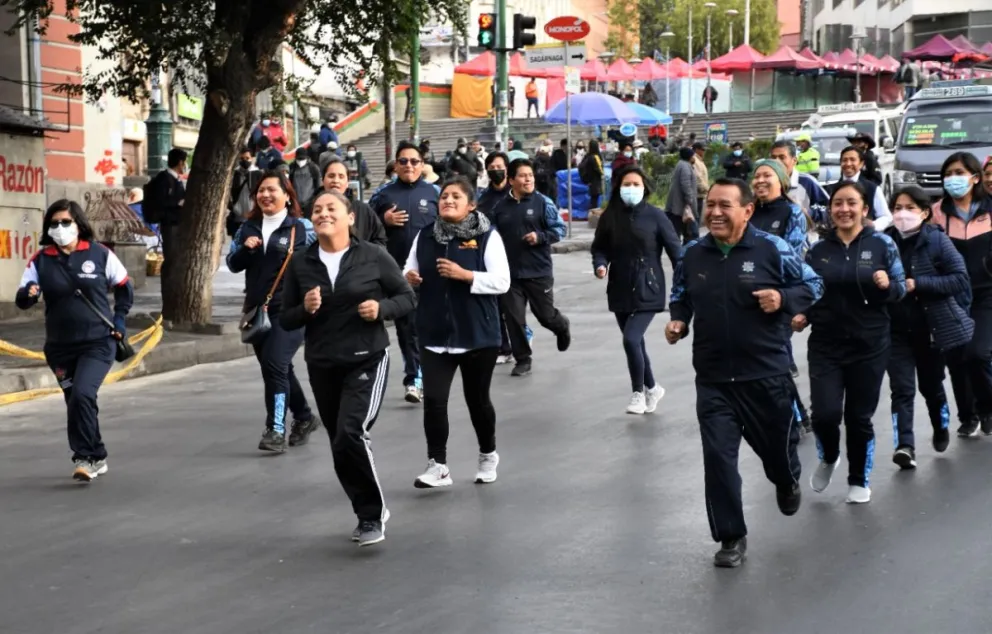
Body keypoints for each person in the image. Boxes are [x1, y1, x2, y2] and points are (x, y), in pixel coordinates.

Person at [666, 178, 824, 568]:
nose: (715, 213)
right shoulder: (692, 253)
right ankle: (731, 536)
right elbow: (681, 296)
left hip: (765, 375)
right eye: (710, 205)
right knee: (718, 459)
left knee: (778, 454)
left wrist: (783, 299)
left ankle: (786, 480)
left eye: (725, 205)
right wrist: (678, 321)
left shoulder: (772, 248)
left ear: (747, 210)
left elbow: (814, 285)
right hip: (714, 377)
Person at [280, 190, 416, 547]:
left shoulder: (373, 256)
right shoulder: (301, 262)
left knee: (351, 432)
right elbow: (284, 316)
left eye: (331, 209)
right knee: (339, 442)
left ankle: (371, 515)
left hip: (367, 356)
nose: (323, 214)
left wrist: (380, 309)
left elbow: (407, 297)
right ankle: (365, 508)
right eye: (317, 210)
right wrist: (305, 308)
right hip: (323, 361)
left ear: (350, 217)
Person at [793, 181, 906, 504]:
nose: (844, 209)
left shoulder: (882, 245)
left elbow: (900, 289)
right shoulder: (818, 250)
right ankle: (829, 455)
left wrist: (887, 285)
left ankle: (859, 479)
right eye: (838, 203)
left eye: (851, 203)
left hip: (870, 344)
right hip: (826, 344)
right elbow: (809, 289)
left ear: (864, 209)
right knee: (825, 415)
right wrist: (802, 313)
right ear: (830, 209)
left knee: (858, 417)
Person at [401, 177, 510, 488]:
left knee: (477, 400)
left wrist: (466, 276)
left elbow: (503, 281)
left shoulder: (487, 236)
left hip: (477, 333)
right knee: (434, 400)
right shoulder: (425, 235)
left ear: (470, 205)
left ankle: (487, 453)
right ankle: (438, 465)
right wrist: (409, 277)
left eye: (456, 197)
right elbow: (406, 270)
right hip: (434, 333)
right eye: (444, 196)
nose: (448, 200)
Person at [15, 200, 134, 482]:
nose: (60, 228)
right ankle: (97, 454)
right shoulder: (40, 261)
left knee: (82, 393)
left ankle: (84, 457)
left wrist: (119, 321)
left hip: (97, 342)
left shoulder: (100, 254)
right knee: (77, 401)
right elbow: (22, 299)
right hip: (59, 347)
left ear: (79, 225)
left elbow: (124, 289)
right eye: (54, 223)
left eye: (65, 222)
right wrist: (30, 294)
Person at [227, 171, 319, 452]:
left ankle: (275, 429)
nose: (265, 195)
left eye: (272, 190)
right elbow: (233, 263)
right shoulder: (247, 228)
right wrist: (245, 249)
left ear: (287, 195)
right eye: (261, 191)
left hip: (291, 311)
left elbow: (320, 260)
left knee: (276, 364)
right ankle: (304, 416)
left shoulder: (301, 227)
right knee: (276, 368)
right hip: (257, 312)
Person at [885, 185, 972, 467]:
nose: (903, 214)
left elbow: (959, 278)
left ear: (924, 213)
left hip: (930, 328)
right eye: (898, 208)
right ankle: (905, 446)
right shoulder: (884, 242)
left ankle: (940, 424)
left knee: (931, 385)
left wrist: (919, 283)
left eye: (910, 208)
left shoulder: (936, 241)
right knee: (901, 388)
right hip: (895, 330)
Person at [592, 166, 681, 414]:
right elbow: (599, 248)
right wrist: (600, 265)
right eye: (626, 184)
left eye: (636, 184)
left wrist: (685, 286)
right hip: (619, 286)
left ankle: (638, 393)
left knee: (630, 339)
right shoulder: (610, 216)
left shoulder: (656, 216)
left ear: (645, 187)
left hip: (648, 287)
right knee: (636, 343)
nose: (631, 189)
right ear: (619, 187)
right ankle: (653, 388)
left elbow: (677, 252)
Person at [369, 140, 440, 402]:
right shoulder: (382, 195)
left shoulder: (436, 193)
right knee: (407, 327)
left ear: (422, 165)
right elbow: (365, 228)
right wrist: (383, 220)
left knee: (429, 326)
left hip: (431, 273)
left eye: (414, 161)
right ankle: (414, 378)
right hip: (397, 276)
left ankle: (430, 370)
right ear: (395, 165)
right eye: (403, 161)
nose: (408, 165)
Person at [930, 152, 992, 437]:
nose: (953, 178)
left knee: (978, 353)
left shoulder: (990, 209)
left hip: (985, 295)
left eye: (959, 172)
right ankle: (967, 416)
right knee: (956, 359)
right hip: (948, 296)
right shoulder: (936, 213)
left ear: (975, 177)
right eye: (948, 173)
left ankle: (987, 408)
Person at [491, 158, 571, 376]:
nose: (528, 179)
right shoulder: (500, 208)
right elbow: (491, 235)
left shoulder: (543, 203)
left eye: (530, 175)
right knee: (514, 319)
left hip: (538, 271)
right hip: (510, 274)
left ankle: (561, 326)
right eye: (523, 176)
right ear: (511, 180)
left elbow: (560, 230)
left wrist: (540, 237)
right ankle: (523, 359)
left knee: (545, 316)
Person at [306, 157, 387, 246]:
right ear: (323, 180)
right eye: (331, 176)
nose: (336, 181)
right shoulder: (311, 208)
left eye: (341, 176)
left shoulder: (362, 209)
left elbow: (380, 239)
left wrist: (364, 255)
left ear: (347, 182)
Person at [143, 148, 186, 296]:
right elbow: (160, 201)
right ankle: (169, 289)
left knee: (176, 256)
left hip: (177, 223)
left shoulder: (175, 179)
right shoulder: (164, 179)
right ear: (180, 162)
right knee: (171, 257)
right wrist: (178, 202)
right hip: (170, 223)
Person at [825, 146, 892, 230]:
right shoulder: (831, 189)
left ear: (861, 164)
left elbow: (886, 216)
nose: (848, 164)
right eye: (844, 160)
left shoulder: (872, 188)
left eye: (852, 160)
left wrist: (872, 225)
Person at [770, 140, 830, 227]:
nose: (777, 162)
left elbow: (830, 209)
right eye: (773, 157)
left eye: (782, 157)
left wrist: (810, 213)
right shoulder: (765, 184)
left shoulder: (807, 182)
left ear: (794, 160)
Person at [665, 147, 699, 244]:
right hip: (683, 206)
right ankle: (688, 253)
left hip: (679, 206)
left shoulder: (682, 164)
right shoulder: (685, 167)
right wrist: (690, 200)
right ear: (689, 156)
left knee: (682, 231)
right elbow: (685, 184)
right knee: (692, 233)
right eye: (693, 155)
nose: (694, 158)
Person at [228, 147, 262, 238]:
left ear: (252, 158)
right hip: (237, 217)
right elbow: (228, 194)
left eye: (247, 158)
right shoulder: (235, 174)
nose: (245, 161)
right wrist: (234, 208)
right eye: (242, 158)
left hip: (253, 217)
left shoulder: (258, 174)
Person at [578, 140, 604, 209]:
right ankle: (593, 215)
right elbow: (600, 169)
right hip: (596, 181)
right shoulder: (596, 156)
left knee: (593, 199)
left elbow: (580, 166)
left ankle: (591, 213)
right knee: (595, 200)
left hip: (589, 181)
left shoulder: (588, 156)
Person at [691, 142, 709, 216]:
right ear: (696, 150)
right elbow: (698, 178)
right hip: (697, 194)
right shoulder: (695, 161)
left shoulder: (699, 160)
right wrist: (706, 189)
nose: (704, 151)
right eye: (702, 150)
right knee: (696, 217)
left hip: (700, 194)